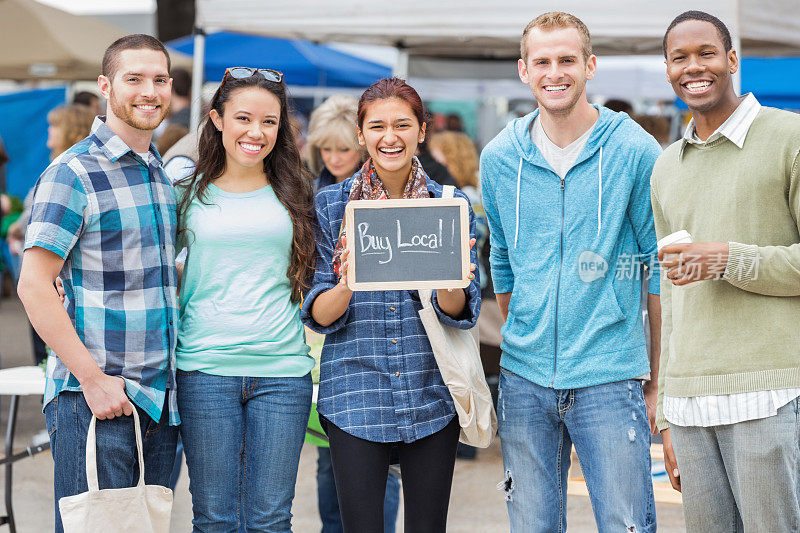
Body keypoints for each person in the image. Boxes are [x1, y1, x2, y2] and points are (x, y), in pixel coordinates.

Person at [479, 12, 662, 532]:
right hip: (524, 378)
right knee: (532, 526)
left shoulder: (633, 150)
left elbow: (656, 268)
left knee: (626, 524)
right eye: (542, 61)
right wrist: (525, 338)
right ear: (523, 70)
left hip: (610, 374)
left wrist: (655, 379)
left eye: (566, 60)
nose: (554, 72)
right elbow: (503, 262)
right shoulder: (498, 158)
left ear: (590, 66)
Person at [302, 77, 481, 532]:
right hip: (354, 397)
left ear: (422, 130)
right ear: (361, 134)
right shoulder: (330, 206)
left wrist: (450, 283)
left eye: (402, 125)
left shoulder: (449, 203)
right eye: (377, 126)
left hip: (430, 394)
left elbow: (460, 311)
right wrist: (348, 282)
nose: (389, 137)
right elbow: (318, 314)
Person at [17, 34, 179, 532]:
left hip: (157, 399)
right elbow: (33, 285)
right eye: (134, 79)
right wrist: (92, 380)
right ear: (106, 86)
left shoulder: (159, 175)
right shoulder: (73, 172)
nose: (148, 91)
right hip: (97, 397)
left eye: (158, 79)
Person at [654, 11, 800, 531]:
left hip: (772, 392)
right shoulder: (667, 165)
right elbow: (671, 301)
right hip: (691, 404)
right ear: (668, 69)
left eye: (706, 53)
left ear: (733, 60)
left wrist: (727, 258)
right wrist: (667, 415)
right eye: (679, 58)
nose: (693, 67)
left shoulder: (788, 136)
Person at [174, 66, 316, 531]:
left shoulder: (296, 189)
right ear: (217, 119)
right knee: (214, 518)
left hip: (283, 373)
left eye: (270, 121)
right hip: (204, 369)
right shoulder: (185, 190)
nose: (256, 132)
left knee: (271, 519)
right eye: (243, 118)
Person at [305, 93, 401, 533]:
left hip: (382, 346)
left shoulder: (398, 187)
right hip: (322, 337)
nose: (335, 157)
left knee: (386, 465)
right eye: (327, 149)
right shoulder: (315, 195)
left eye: (344, 148)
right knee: (331, 460)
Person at [7, 104, 94, 365]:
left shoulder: (65, 169)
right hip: (47, 276)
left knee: (48, 353)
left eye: (55, 125)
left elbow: (32, 214)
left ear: (70, 130)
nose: (49, 130)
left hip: (56, 279)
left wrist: (15, 228)